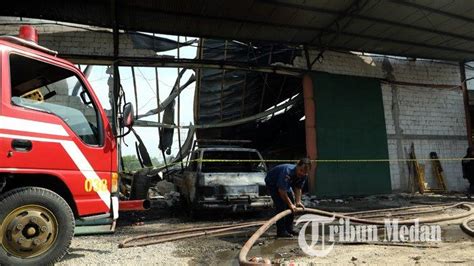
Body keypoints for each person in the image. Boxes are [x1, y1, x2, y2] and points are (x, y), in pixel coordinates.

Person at [265, 158, 311, 237]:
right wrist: (290, 205)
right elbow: (281, 191)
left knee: (292, 205)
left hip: (285, 184)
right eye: (301, 170)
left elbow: (298, 188)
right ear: (297, 166)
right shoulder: (287, 171)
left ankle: (289, 229)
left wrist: (298, 202)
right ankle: (281, 231)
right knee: (281, 205)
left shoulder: (304, 175)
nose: (302, 173)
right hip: (272, 182)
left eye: (305, 172)